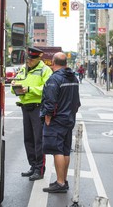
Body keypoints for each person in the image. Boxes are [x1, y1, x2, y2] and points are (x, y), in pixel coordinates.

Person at [40, 52, 81, 193]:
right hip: (69, 119)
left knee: (57, 151)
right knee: (65, 150)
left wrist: (48, 117)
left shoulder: (54, 79)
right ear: (66, 63)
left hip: (57, 121)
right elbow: (77, 102)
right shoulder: (74, 78)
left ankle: (60, 182)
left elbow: (50, 101)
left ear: (53, 62)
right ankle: (64, 180)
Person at [11, 47, 53, 181]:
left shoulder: (45, 70)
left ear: (38, 59)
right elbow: (16, 85)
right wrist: (14, 86)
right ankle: (33, 165)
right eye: (28, 58)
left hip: (38, 107)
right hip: (25, 107)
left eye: (31, 59)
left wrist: (29, 89)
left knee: (38, 139)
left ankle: (39, 169)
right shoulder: (23, 69)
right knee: (28, 138)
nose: (28, 61)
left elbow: (47, 89)